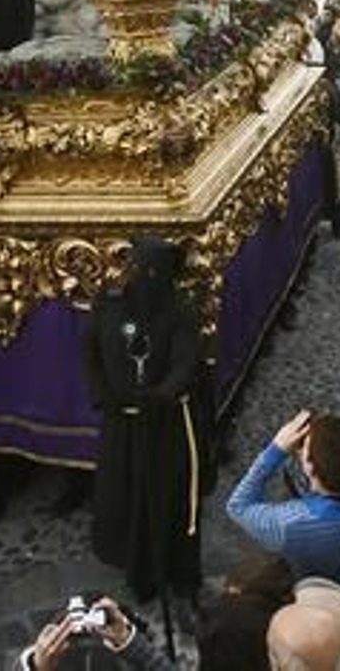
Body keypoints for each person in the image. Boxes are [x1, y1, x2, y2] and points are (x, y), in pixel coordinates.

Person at [83, 237, 208, 605]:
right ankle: (139, 570)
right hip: (122, 424)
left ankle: (179, 572)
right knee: (129, 497)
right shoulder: (109, 305)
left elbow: (187, 361)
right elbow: (88, 346)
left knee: (169, 498)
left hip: (165, 425)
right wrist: (102, 393)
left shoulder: (180, 309)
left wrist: (161, 396)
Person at [226, 409, 340, 592]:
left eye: (305, 449)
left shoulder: (289, 525)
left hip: (306, 595)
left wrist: (276, 450)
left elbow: (237, 506)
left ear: (310, 469)